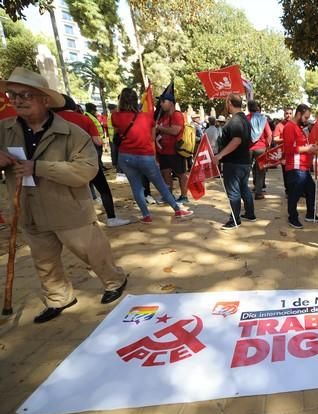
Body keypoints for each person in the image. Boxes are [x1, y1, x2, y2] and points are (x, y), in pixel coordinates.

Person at [0, 67, 128, 323]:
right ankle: (59, 297)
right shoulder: (4, 129)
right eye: (13, 95)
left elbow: (87, 170)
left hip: (67, 206)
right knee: (43, 259)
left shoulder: (72, 133)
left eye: (26, 94)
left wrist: (39, 167)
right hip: (27, 206)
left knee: (92, 251)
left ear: (45, 100)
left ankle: (114, 280)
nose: (17, 100)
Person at [111, 87, 193, 223]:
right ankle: (177, 210)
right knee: (160, 184)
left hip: (125, 156)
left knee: (136, 187)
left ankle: (146, 215)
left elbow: (117, 132)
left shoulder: (115, 117)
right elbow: (151, 136)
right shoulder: (146, 117)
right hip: (145, 155)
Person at [55, 95, 130, 227]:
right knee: (103, 189)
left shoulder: (51, 120)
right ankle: (111, 218)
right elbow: (98, 141)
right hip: (86, 161)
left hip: (61, 163)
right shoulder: (84, 119)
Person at [215, 93, 255, 229]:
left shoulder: (236, 121)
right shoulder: (245, 120)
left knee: (233, 192)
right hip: (244, 161)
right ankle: (250, 213)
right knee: (244, 188)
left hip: (234, 163)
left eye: (226, 103)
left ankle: (234, 219)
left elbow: (236, 140)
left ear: (229, 103)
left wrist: (220, 155)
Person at [282, 103, 318, 229]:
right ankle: (292, 217)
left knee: (311, 189)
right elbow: (288, 149)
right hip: (295, 166)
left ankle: (310, 214)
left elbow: (303, 146)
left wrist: (311, 148)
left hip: (303, 167)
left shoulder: (298, 128)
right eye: (305, 117)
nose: (306, 120)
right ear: (299, 114)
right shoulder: (290, 127)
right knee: (295, 193)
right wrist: (308, 148)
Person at [155, 93, 189, 203]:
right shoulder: (162, 116)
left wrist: (159, 128)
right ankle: (168, 196)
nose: (161, 104)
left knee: (181, 174)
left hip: (175, 150)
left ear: (171, 103)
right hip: (163, 150)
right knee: (165, 173)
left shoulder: (177, 115)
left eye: (163, 101)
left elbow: (175, 130)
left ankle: (184, 196)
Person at [248, 100, 272, 200]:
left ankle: (243, 191)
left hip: (248, 148)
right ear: (257, 108)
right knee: (260, 170)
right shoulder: (263, 119)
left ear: (249, 108)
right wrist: (267, 147)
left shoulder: (246, 118)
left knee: (246, 169)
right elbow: (269, 134)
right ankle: (258, 192)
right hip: (261, 148)